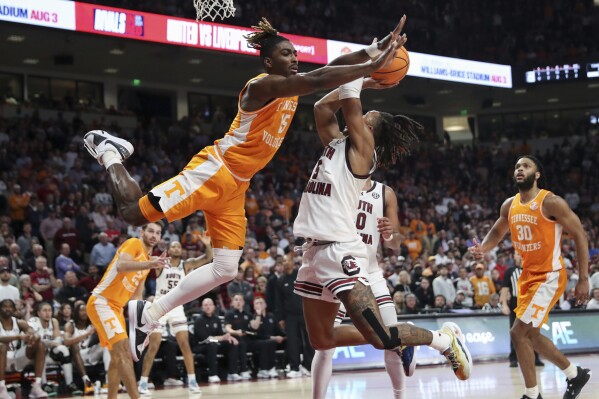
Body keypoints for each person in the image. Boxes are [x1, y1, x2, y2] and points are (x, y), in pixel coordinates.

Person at [82, 16, 407, 360]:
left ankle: (147, 314)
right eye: (286, 54)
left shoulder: (291, 83)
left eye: (295, 53)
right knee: (134, 213)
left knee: (225, 268)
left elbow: (331, 67)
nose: (294, 58)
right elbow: (319, 78)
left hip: (236, 185)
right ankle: (106, 149)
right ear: (269, 62)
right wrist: (371, 68)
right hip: (215, 171)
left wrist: (374, 49)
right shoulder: (264, 85)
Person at [291, 43, 472, 385]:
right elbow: (320, 107)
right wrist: (370, 79)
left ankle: (444, 341)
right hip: (314, 251)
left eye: (366, 117)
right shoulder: (336, 144)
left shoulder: (363, 151)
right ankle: (398, 334)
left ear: (370, 132)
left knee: (384, 338)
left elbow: (347, 99)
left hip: (341, 251)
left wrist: (364, 63)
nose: (361, 117)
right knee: (322, 340)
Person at [468, 155, 591, 399]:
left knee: (517, 333)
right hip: (527, 276)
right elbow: (496, 231)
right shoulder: (509, 205)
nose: (519, 169)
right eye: (516, 166)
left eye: (526, 166)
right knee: (530, 336)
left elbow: (579, 235)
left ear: (537, 174)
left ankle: (532, 394)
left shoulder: (551, 202)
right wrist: (483, 249)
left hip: (550, 275)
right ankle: (575, 374)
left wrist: (584, 278)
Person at [311, 177, 414, 399]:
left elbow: (394, 244)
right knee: (325, 345)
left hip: (370, 272)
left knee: (391, 343)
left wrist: (389, 234)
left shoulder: (385, 193)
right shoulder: (336, 183)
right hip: (338, 268)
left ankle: (400, 396)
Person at [86, 222, 167, 399]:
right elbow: (121, 266)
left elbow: (136, 299)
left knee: (118, 358)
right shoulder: (134, 243)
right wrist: (149, 264)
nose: (154, 235)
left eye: (158, 233)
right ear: (141, 231)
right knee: (122, 350)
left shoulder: (147, 262)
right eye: (151, 231)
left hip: (116, 308)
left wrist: (142, 328)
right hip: (102, 302)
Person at [137, 236, 213, 394]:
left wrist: (207, 245)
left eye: (179, 246)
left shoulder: (186, 265)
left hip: (177, 307)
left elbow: (207, 258)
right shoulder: (161, 264)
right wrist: (144, 244)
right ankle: (143, 383)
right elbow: (143, 258)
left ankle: (192, 381)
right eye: (174, 247)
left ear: (182, 250)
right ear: (169, 250)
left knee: (185, 344)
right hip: (160, 305)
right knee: (154, 346)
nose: (177, 248)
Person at [499, 252, 543, 368]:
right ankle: (513, 358)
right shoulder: (510, 271)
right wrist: (504, 304)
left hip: (531, 302)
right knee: (515, 331)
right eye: (517, 254)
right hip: (516, 302)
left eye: (521, 254)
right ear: (513, 256)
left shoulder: (532, 270)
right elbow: (504, 289)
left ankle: (535, 357)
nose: (520, 256)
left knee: (532, 331)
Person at [28, 301, 80, 395]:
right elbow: (35, 341)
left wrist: (50, 343)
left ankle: (70, 384)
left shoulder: (54, 321)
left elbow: (58, 340)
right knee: (41, 349)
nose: (48, 313)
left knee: (63, 350)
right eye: (44, 311)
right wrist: (50, 343)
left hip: (48, 354)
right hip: (33, 356)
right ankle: (43, 384)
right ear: (39, 313)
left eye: (50, 310)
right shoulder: (33, 322)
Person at [0, 299, 48, 399]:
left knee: (40, 344)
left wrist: (33, 336)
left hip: (16, 357)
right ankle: (2, 388)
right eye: (5, 306)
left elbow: (34, 332)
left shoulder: (20, 322)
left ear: (14, 310)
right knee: (2, 346)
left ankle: (36, 386)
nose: (7, 309)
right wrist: (17, 337)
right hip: (2, 357)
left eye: (10, 307)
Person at [275, 254, 313, 378]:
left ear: (292, 262)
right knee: (292, 342)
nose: (285, 263)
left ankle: (309, 367)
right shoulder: (280, 280)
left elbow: (309, 293)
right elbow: (279, 301)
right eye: (283, 261)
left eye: (287, 260)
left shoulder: (301, 274)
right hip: (290, 316)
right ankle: (294, 367)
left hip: (305, 313)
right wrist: (280, 318)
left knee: (308, 341)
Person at [190, 297, 241, 383]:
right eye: (205, 305)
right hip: (200, 345)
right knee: (212, 344)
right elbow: (206, 339)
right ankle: (212, 374)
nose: (208, 307)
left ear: (214, 307)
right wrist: (222, 338)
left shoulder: (216, 319)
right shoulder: (199, 320)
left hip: (214, 343)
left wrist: (230, 337)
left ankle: (232, 372)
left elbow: (221, 335)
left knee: (231, 343)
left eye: (210, 305)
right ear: (202, 308)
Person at [64, 303, 109, 395]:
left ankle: (108, 380)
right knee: (74, 345)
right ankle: (87, 382)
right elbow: (66, 342)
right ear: (76, 312)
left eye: (87, 310)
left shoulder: (92, 324)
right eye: (82, 310)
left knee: (107, 344)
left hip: (90, 354)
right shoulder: (70, 325)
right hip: (76, 356)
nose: (85, 313)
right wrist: (87, 334)